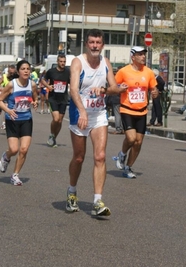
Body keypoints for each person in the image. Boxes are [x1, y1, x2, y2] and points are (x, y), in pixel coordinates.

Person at [67, 28, 125, 216]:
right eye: (92, 42)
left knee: (100, 156)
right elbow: (73, 90)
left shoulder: (105, 62)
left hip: (99, 114)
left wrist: (105, 90)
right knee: (79, 157)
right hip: (80, 114)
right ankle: (72, 192)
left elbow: (115, 88)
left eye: (98, 43)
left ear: (102, 45)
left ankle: (97, 201)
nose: (95, 46)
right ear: (87, 44)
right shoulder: (78, 62)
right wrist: (82, 111)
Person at [114, 46, 158, 178]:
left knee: (138, 143)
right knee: (131, 138)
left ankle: (128, 167)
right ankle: (122, 154)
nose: (143, 56)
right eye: (140, 54)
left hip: (142, 111)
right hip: (127, 109)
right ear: (133, 57)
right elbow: (113, 86)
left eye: (144, 54)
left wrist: (155, 93)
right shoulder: (123, 72)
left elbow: (153, 89)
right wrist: (119, 88)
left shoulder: (148, 72)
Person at [0, 60, 38, 186]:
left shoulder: (32, 84)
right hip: (13, 120)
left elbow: (35, 97)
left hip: (26, 119)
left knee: (24, 149)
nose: (26, 71)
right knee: (14, 149)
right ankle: (6, 156)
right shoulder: (11, 85)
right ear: (18, 71)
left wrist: (35, 102)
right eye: (23, 69)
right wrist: (8, 110)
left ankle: (15, 175)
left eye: (28, 69)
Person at [40, 54, 71, 147]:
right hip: (53, 98)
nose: (62, 63)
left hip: (63, 99)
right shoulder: (51, 71)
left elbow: (72, 82)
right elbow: (42, 80)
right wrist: (48, 86)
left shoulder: (68, 72)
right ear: (57, 62)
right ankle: (51, 134)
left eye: (64, 62)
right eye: (61, 61)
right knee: (56, 119)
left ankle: (53, 138)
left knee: (60, 121)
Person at [0, 65, 17, 129]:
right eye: (10, 72)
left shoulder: (16, 77)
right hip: (5, 95)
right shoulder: (4, 76)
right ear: (8, 71)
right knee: (2, 111)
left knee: (8, 108)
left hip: (12, 95)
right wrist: (2, 89)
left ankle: (4, 123)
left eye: (13, 72)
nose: (12, 74)